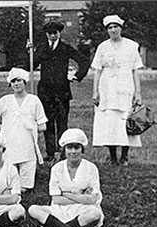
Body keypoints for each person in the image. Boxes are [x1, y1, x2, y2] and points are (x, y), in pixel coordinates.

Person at [26, 20, 90, 165]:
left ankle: (61, 152)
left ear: (59, 33)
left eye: (55, 33)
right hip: (45, 91)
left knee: (62, 122)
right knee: (47, 123)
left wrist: (76, 76)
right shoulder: (41, 48)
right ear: (46, 34)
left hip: (62, 92)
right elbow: (31, 64)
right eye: (50, 33)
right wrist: (30, 52)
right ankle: (49, 153)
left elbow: (84, 61)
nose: (53, 36)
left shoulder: (66, 48)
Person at [28, 128, 104, 227]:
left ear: (82, 149)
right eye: (69, 148)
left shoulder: (91, 168)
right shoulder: (57, 168)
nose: (73, 152)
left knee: (94, 214)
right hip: (59, 209)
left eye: (77, 148)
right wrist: (81, 195)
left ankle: (55, 226)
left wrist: (65, 193)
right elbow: (56, 199)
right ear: (64, 150)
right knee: (33, 209)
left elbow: (92, 199)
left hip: (83, 209)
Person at [91, 15, 144, 166]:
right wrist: (95, 92)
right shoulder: (102, 47)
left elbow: (135, 70)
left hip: (125, 87)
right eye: (110, 27)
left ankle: (124, 156)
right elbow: (97, 71)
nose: (113, 30)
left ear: (121, 27)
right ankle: (113, 157)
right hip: (107, 88)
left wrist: (138, 93)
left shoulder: (131, 46)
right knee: (110, 122)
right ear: (107, 30)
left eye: (116, 26)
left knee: (125, 120)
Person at [0, 68, 48, 193]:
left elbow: (42, 126)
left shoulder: (34, 100)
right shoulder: (6, 100)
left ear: (25, 82)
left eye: (19, 80)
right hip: (9, 142)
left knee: (26, 184)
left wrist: (30, 127)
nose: (16, 84)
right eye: (13, 81)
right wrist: (3, 128)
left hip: (27, 143)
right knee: (7, 179)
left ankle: (22, 187)